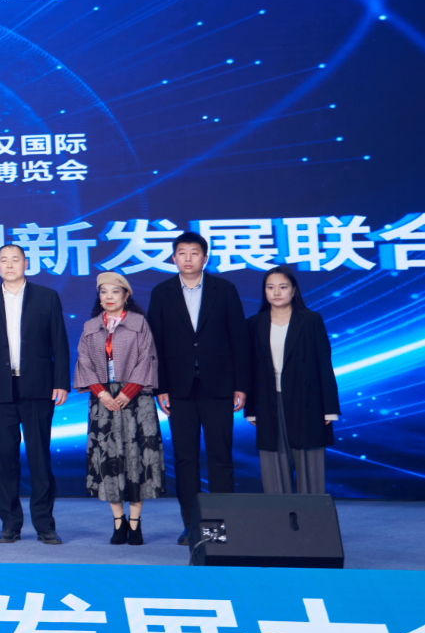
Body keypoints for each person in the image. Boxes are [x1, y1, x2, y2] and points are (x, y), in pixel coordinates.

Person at [145, 231, 250, 545]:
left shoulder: (224, 289)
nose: (188, 258)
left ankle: (219, 526)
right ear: (173, 257)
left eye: (194, 252)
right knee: (185, 459)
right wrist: (160, 387)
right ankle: (192, 525)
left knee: (220, 456)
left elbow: (239, 339)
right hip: (178, 388)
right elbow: (154, 344)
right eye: (182, 252)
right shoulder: (162, 292)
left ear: (205, 257)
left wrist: (241, 385)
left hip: (219, 384)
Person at [0, 243, 69, 545]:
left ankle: (45, 525)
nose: (10, 264)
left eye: (16, 259)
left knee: (40, 458)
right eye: (4, 260)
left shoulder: (46, 296)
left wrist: (61, 382)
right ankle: (10, 524)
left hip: (38, 387)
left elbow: (59, 342)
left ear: (26, 263)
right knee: (5, 459)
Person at [73, 272, 162, 546]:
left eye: (115, 291)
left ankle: (135, 522)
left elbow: (147, 358)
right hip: (103, 400)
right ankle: (118, 521)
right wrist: (102, 393)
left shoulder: (138, 323)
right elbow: (84, 361)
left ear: (126, 295)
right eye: (103, 292)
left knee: (137, 459)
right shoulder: (90, 327)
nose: (109, 297)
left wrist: (127, 392)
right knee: (109, 459)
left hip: (136, 399)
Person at [245, 266, 340, 494]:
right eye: (270, 287)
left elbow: (324, 364)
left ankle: (311, 516)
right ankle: (279, 516)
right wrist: (250, 409)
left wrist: (330, 409)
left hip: (306, 400)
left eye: (283, 287)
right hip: (269, 401)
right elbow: (249, 368)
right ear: (264, 291)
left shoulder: (311, 320)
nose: (276, 292)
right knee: (274, 469)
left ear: (294, 290)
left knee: (310, 468)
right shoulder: (254, 323)